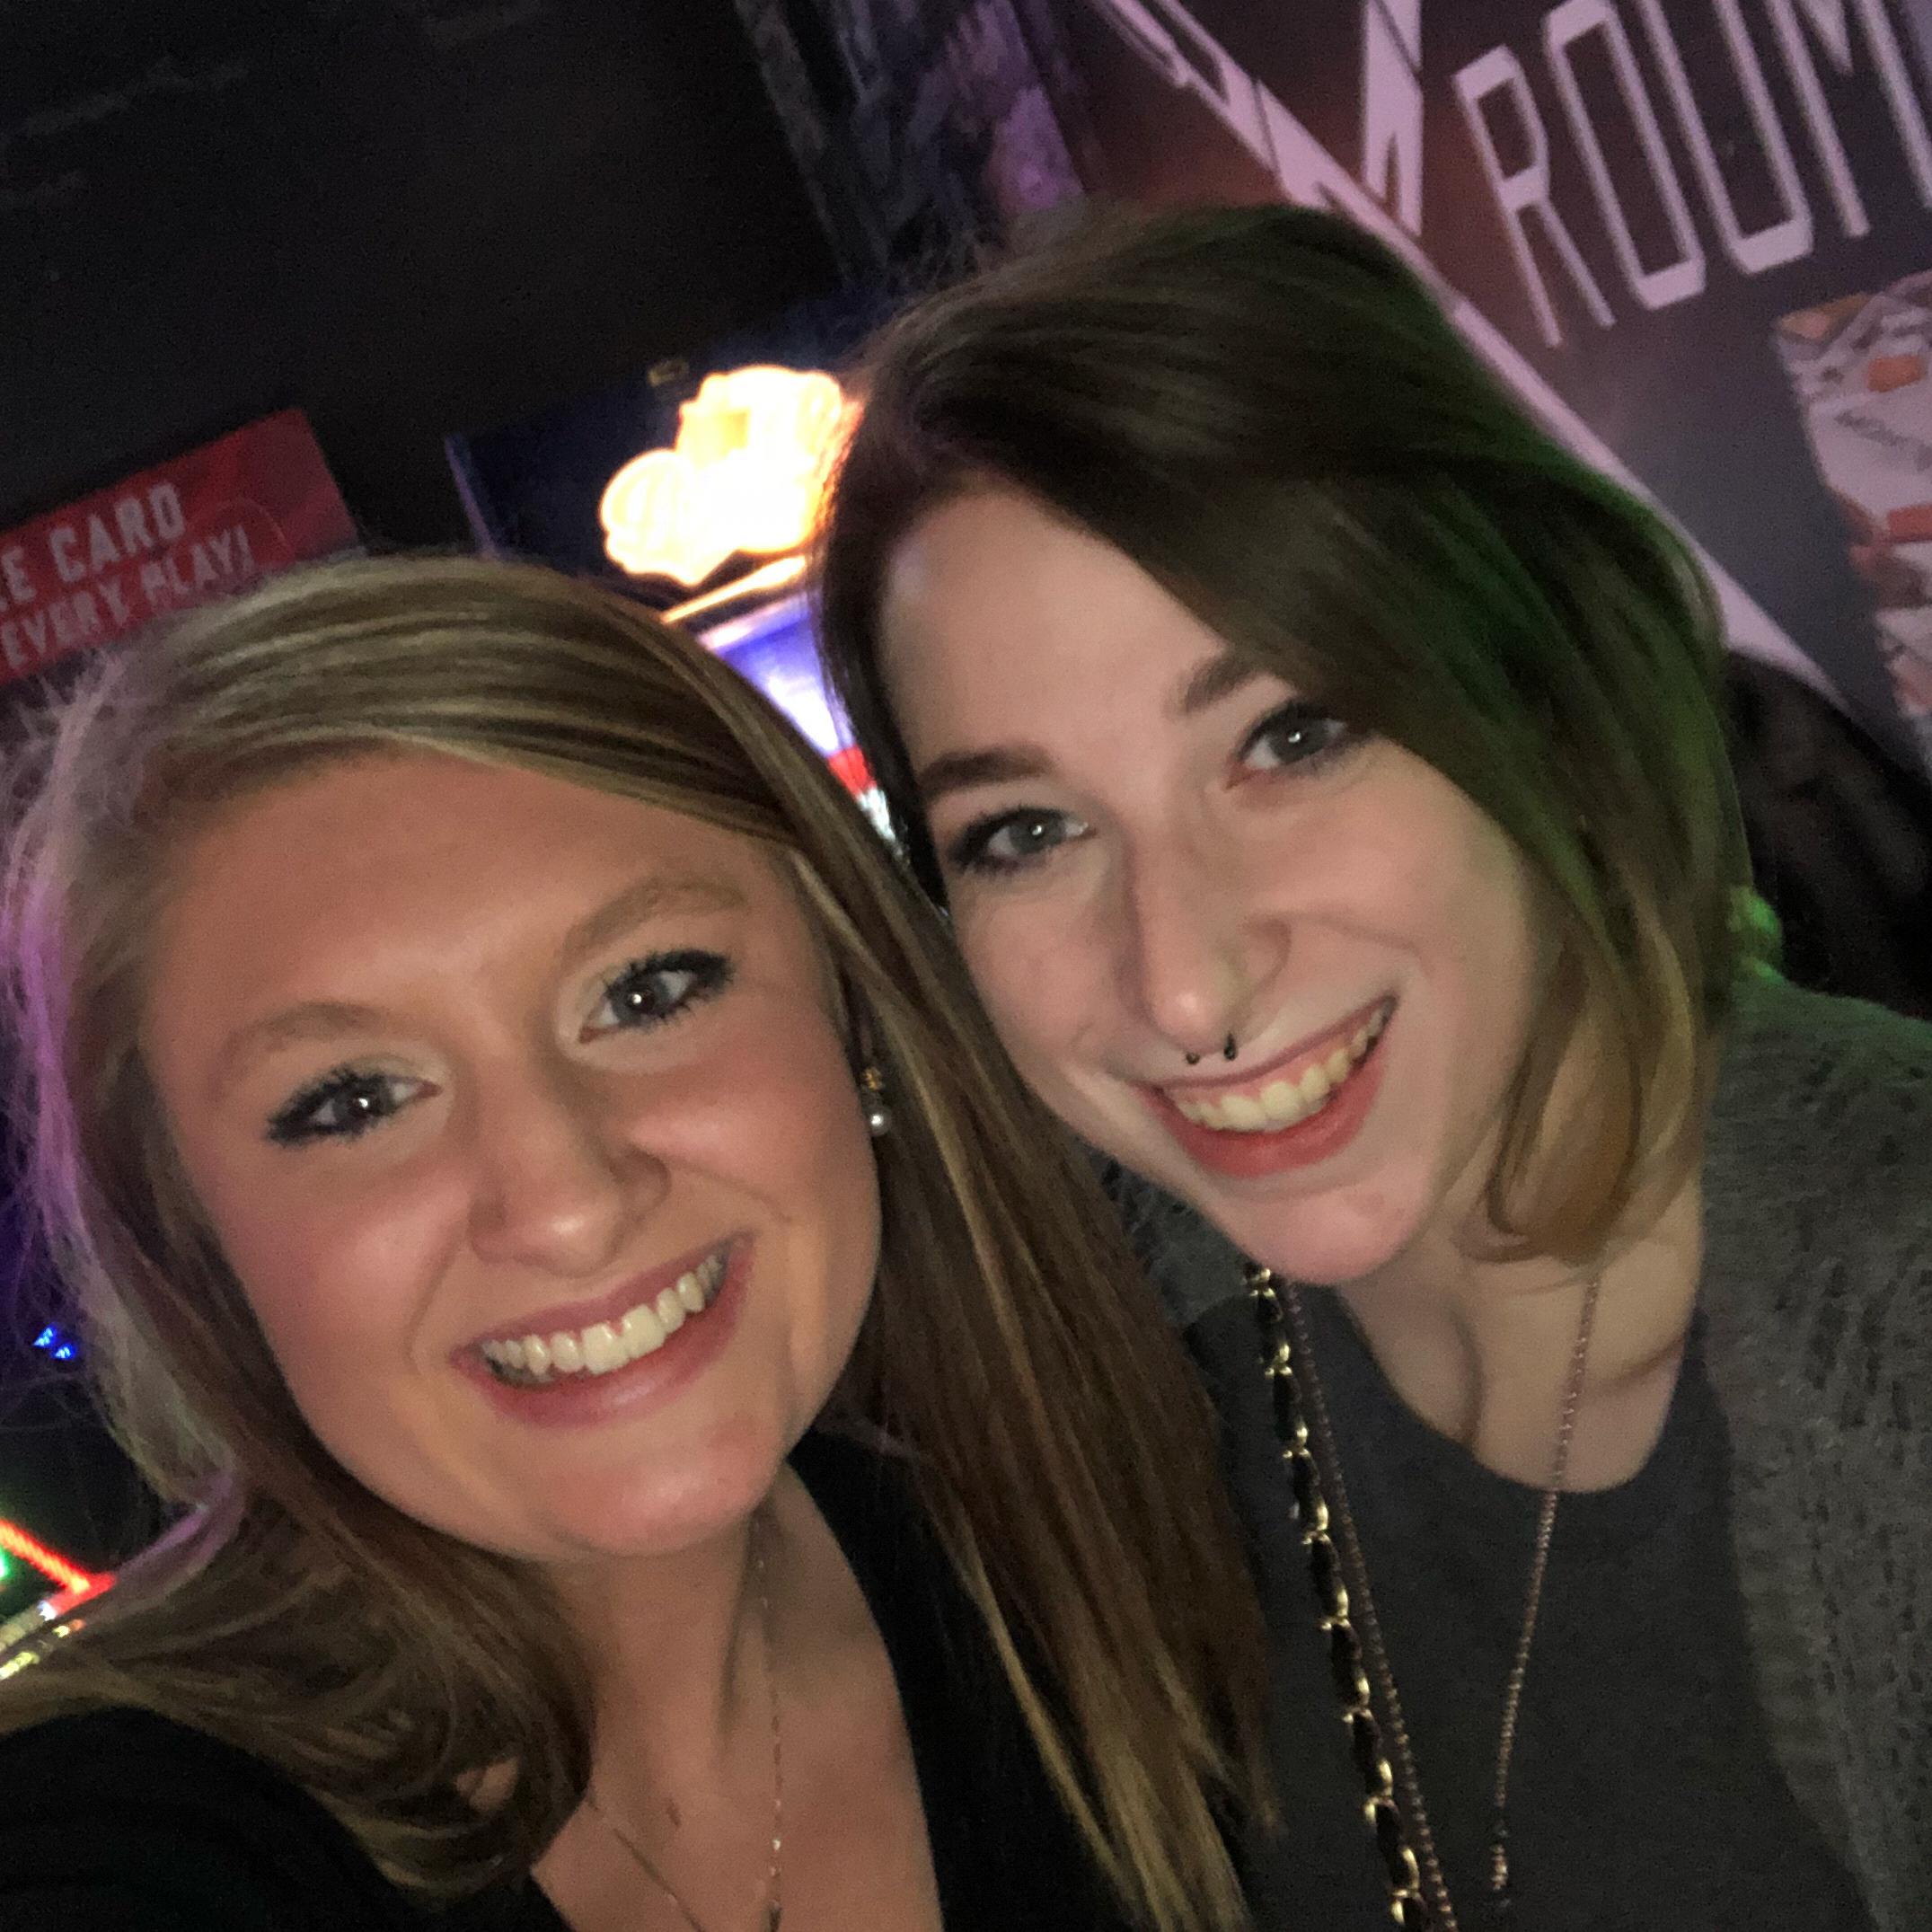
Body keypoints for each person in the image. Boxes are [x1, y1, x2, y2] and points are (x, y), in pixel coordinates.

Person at [816, 203, 1932, 1932]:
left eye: (1293, 736)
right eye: (1026, 830)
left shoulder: (1895, 1320)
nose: (1183, 982)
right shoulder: (1085, 1323)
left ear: (1544, 691)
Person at [0, 555, 1269, 1932]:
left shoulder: (1106, 1551)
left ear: (853, 1007)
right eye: (353, 1101)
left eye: (650, 991)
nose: (568, 1202)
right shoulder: (115, 1842)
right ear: (189, 1243)